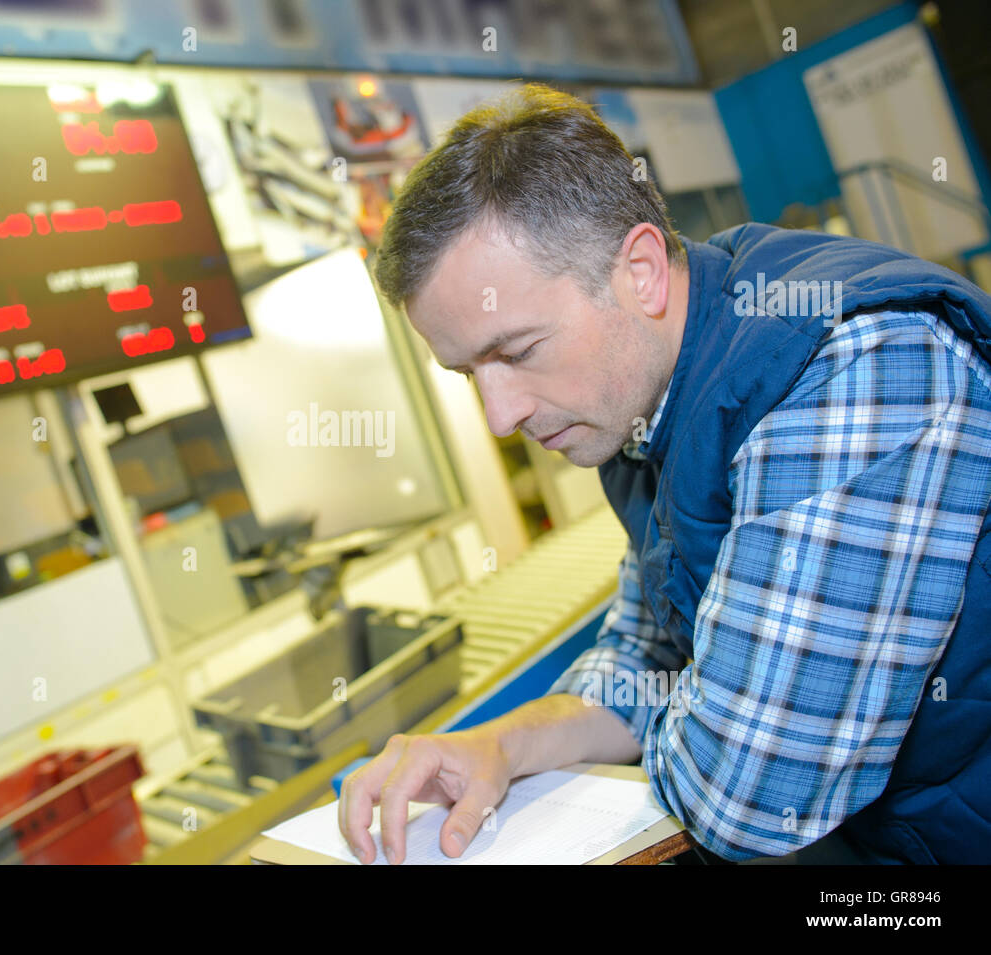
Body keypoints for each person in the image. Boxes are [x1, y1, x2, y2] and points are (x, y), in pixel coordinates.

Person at [340, 83, 991, 865]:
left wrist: (711, 700)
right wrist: (501, 744)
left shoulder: (853, 368)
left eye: (516, 351)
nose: (499, 416)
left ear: (641, 271)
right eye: (465, 372)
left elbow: (750, 794)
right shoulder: (645, 405)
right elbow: (644, 658)